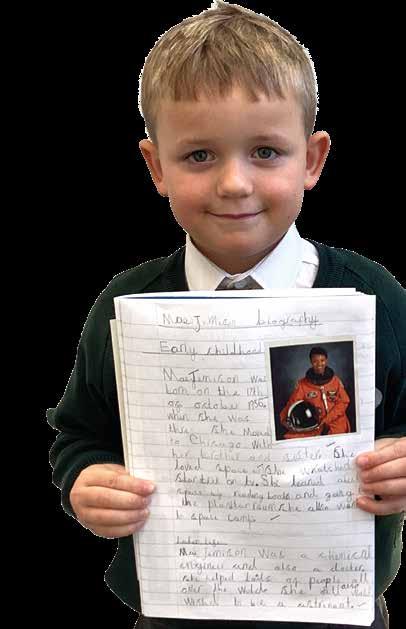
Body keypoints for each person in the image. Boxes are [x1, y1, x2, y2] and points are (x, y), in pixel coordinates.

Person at [46, 2, 405, 628]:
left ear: (312, 160)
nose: (234, 183)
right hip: (176, 607)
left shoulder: (375, 296)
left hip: (335, 603)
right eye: (200, 156)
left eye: (265, 151)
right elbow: (79, 432)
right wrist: (86, 480)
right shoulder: (124, 307)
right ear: (156, 166)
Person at [280, 346, 351, 439]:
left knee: (337, 440)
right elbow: (293, 403)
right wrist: (284, 418)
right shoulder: (303, 384)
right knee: (291, 439)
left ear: (326, 360)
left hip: (336, 420)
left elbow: (344, 401)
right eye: (315, 361)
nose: (319, 364)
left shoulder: (335, 381)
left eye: (322, 360)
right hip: (314, 423)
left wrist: (327, 419)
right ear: (311, 362)